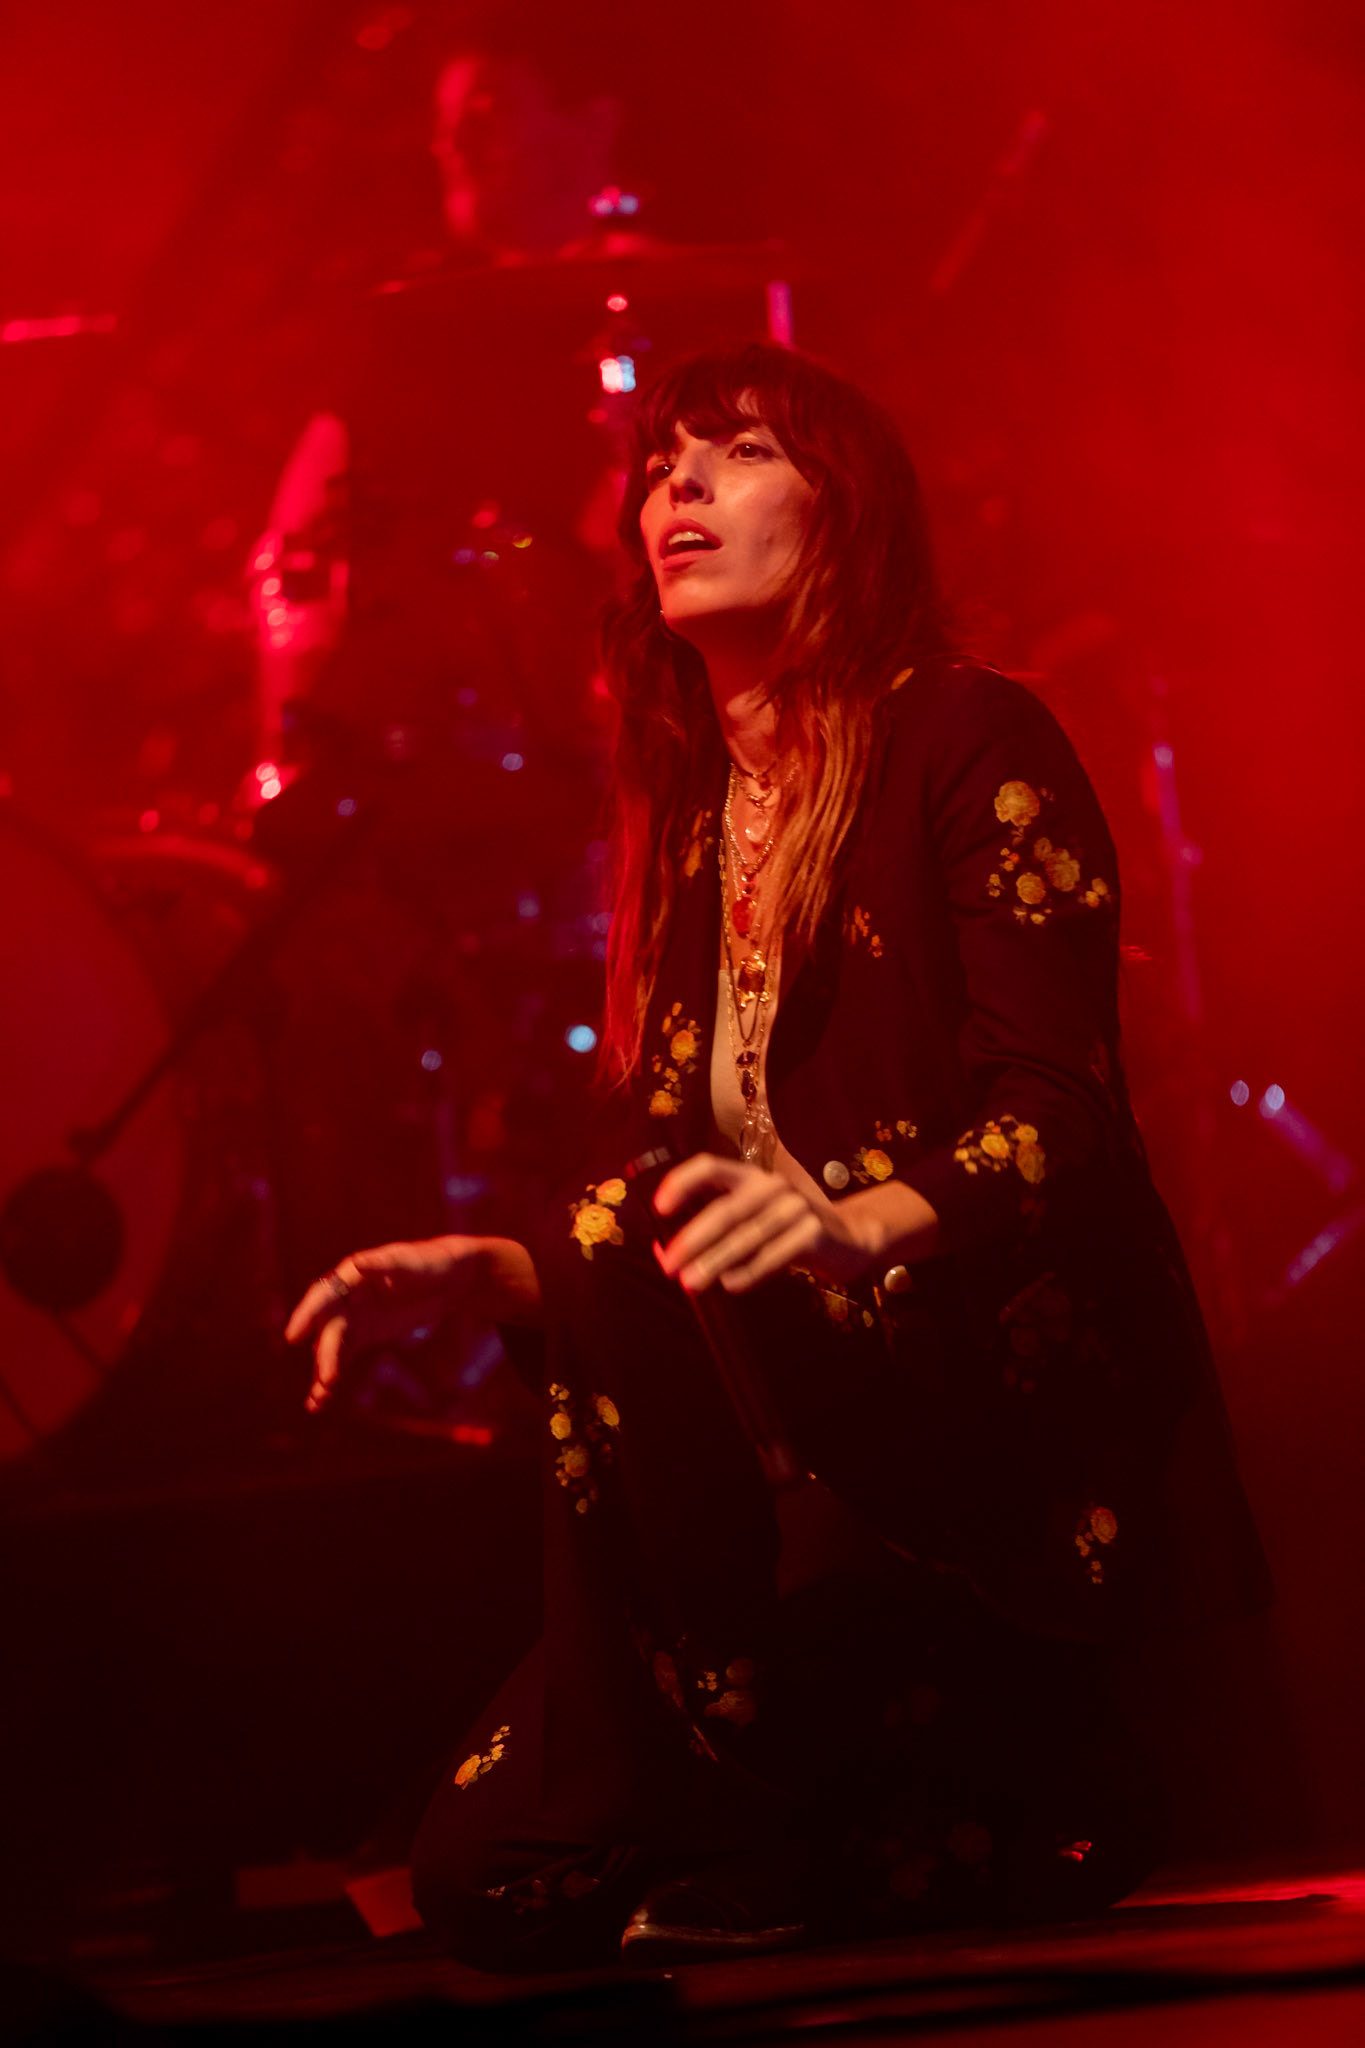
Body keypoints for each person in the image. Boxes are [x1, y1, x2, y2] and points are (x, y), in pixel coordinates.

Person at [286, 341, 1270, 1970]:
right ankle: (814, 1763)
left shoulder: (968, 737)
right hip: (793, 1418)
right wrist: (488, 1273)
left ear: (849, 517)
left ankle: (788, 1755)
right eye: (661, 461)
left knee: (614, 1226)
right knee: (485, 1885)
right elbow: (677, 1208)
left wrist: (855, 1230)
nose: (675, 485)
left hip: (972, 1395)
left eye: (735, 453)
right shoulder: (689, 808)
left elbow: (1063, 1119)